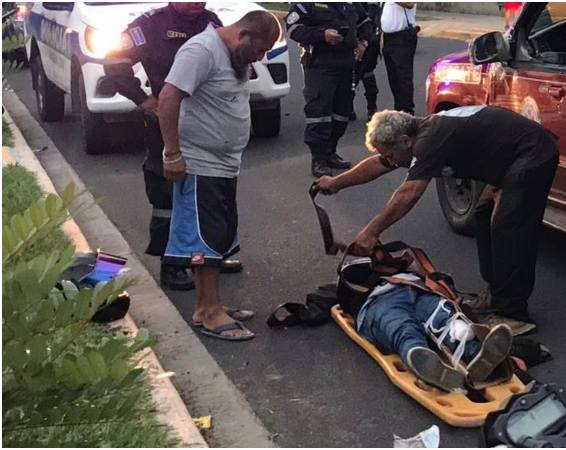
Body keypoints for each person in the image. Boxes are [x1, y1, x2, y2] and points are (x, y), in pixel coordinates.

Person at [317, 106, 559, 335]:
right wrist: (336, 183)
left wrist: (371, 231)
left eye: (391, 155)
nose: (391, 162)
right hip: (509, 160)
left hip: (532, 154)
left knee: (509, 228)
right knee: (482, 215)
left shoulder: (430, 139)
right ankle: (496, 295)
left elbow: (408, 194)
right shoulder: (415, 135)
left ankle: (514, 314)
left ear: (404, 141)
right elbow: (378, 164)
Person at [102, 3, 243, 292]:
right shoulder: (151, 24)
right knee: (168, 193)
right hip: (167, 119)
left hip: (205, 122)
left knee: (210, 191)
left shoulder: (211, 21)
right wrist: (142, 99)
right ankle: (172, 263)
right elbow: (115, 61)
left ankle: (209, 256)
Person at [159, 11, 280, 341]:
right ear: (243, 36)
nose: (261, 57)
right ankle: (209, 312)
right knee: (205, 239)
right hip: (199, 164)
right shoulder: (201, 51)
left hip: (224, 164)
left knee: (219, 235)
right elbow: (169, 97)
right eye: (259, 50)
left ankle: (208, 304)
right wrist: (172, 153)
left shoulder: (233, 56)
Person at [357, 275, 513, 392]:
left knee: (446, 322)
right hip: (377, 303)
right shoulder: (351, 273)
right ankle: (426, 364)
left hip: (417, 289)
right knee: (404, 329)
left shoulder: (396, 259)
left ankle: (477, 354)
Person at [286, 2, 374, 177]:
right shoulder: (307, 4)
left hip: (347, 65)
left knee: (342, 113)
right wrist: (321, 35)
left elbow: (366, 23)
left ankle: (330, 152)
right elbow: (292, 28)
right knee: (319, 112)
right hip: (320, 65)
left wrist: (363, 42)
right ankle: (318, 159)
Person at [381, 2, 418, 115]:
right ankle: (399, 110)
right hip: (388, 38)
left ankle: (407, 112)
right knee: (394, 78)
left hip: (402, 37)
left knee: (403, 78)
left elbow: (410, 4)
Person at [350, 2, 382, 121]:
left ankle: (372, 108)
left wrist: (365, 39)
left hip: (369, 39)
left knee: (367, 73)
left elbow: (372, 18)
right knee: (352, 75)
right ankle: (349, 108)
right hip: (353, 38)